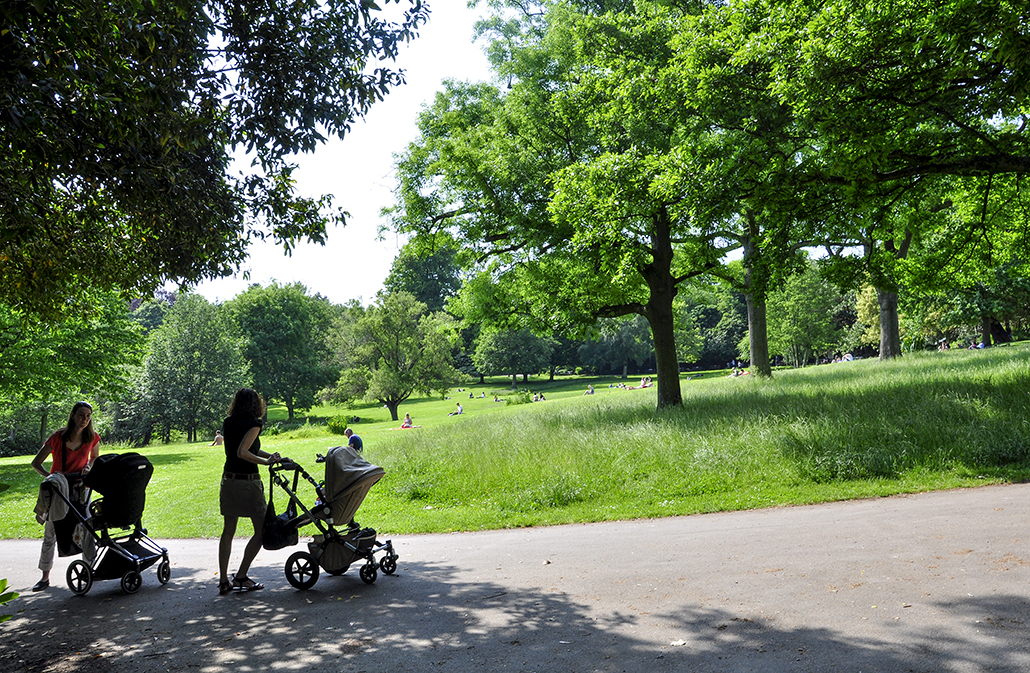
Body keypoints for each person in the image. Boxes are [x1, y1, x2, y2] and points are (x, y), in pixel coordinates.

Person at [217, 388, 282, 595]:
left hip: (229, 480)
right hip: (248, 482)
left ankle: (224, 581)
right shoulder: (255, 423)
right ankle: (241, 576)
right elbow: (243, 452)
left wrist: (270, 455)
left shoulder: (228, 422)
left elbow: (247, 449)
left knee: (228, 532)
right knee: (261, 531)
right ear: (256, 404)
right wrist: (266, 462)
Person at [30, 401, 100, 592]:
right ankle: (45, 577)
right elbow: (36, 463)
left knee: (86, 528)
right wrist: (51, 478)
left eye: (88, 416)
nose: (84, 419)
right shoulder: (58, 437)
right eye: (81, 415)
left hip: (79, 487)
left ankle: (89, 569)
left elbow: (94, 458)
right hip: (58, 490)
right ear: (72, 415)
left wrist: (88, 467)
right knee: (51, 532)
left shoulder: (91, 437)